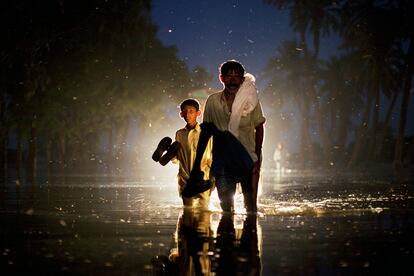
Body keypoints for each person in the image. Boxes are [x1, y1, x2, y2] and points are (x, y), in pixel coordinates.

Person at [196, 60, 265, 213]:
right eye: (228, 76)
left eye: (236, 77)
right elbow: (206, 132)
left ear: (242, 79)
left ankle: (250, 232)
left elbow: (259, 127)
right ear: (221, 78)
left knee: (251, 207)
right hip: (223, 162)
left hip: (248, 157)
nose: (232, 80)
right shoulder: (213, 101)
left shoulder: (251, 102)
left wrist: (257, 157)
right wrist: (197, 165)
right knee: (226, 209)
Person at [152, 98, 213, 209]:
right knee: (187, 211)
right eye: (185, 112)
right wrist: (172, 156)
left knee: (203, 212)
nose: (187, 115)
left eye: (191, 112)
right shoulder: (179, 134)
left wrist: (213, 177)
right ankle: (168, 150)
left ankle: (167, 150)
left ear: (198, 113)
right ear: (181, 114)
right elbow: (177, 160)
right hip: (185, 178)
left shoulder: (205, 133)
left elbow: (211, 156)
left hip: (202, 178)